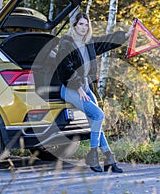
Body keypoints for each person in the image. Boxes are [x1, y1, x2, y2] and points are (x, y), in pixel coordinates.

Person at [57, 12, 133, 173]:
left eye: (86, 24)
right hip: (70, 88)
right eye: (80, 24)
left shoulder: (88, 42)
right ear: (74, 25)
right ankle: (92, 155)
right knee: (99, 116)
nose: (84, 28)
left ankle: (109, 159)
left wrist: (126, 35)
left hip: (84, 87)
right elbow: (65, 67)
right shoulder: (66, 42)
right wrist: (78, 88)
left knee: (95, 122)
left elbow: (106, 43)